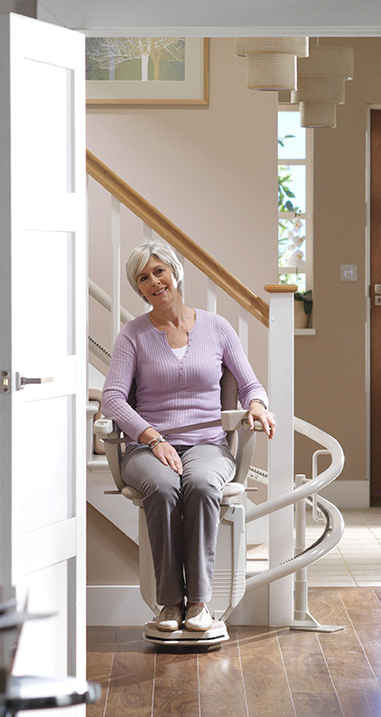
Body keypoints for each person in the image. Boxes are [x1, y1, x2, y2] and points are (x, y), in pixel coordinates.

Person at [101, 242, 276, 633]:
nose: (154, 281)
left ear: (175, 272)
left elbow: (250, 384)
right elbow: (112, 398)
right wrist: (152, 438)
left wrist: (258, 406)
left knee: (198, 484)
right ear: (139, 289)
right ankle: (169, 604)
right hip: (148, 447)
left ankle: (198, 603)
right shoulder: (132, 335)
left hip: (208, 445)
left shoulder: (217, 327)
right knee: (163, 488)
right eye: (143, 278)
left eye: (159, 271)